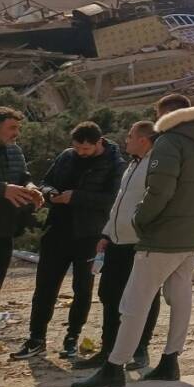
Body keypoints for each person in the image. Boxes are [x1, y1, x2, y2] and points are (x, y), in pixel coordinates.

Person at [73, 94, 194, 387]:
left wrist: (139, 221)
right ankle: (170, 361)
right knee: (180, 298)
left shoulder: (169, 142)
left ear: (168, 114)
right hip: (193, 235)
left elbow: (158, 191)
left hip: (162, 236)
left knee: (134, 301)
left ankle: (114, 367)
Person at [10, 122, 124, 361]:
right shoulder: (66, 156)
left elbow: (113, 199)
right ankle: (36, 338)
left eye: (86, 149)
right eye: (77, 148)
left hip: (90, 234)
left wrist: (77, 197)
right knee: (45, 287)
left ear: (99, 142)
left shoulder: (115, 163)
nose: (81, 153)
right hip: (57, 229)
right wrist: (50, 193)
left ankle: (72, 338)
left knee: (82, 289)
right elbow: (46, 181)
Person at [73, 121, 162, 372]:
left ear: (143, 140)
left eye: (130, 136)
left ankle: (140, 349)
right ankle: (109, 349)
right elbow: (119, 204)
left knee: (144, 296)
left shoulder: (154, 165)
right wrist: (106, 234)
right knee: (109, 295)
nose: (126, 140)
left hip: (139, 242)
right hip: (117, 240)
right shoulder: (132, 164)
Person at [0, 107, 41, 293]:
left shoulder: (15, 150)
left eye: (18, 128)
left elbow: (23, 176)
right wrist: (3, 189)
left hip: (5, 229)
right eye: (12, 128)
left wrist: (31, 188)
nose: (17, 133)